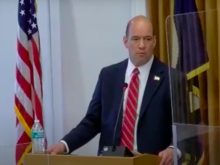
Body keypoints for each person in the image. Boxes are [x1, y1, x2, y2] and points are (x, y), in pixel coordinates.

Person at [47, 15, 182, 165]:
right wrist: (64, 144)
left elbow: (186, 129)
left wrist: (173, 149)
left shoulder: (172, 79)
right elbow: (92, 121)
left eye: (147, 39)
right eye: (136, 39)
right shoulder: (109, 76)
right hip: (112, 160)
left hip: (152, 161)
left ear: (155, 41)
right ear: (125, 41)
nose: (142, 45)